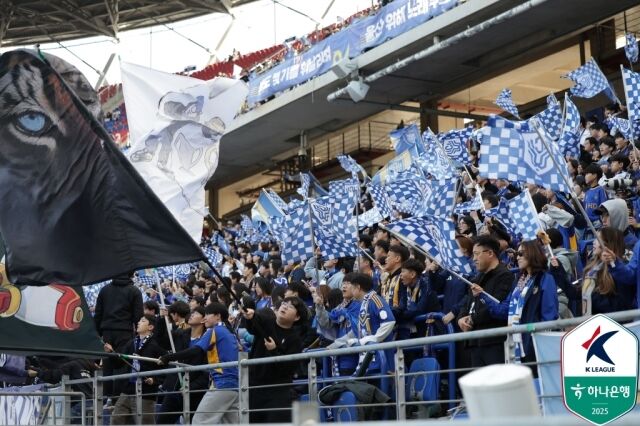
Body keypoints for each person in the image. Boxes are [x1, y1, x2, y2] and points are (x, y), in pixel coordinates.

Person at [472, 241, 559, 364]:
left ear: (533, 254)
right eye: (517, 253)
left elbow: (549, 315)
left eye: (521, 253)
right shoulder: (519, 281)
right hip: (518, 341)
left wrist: (542, 342)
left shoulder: (545, 278)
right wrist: (483, 295)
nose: (517, 257)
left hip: (536, 342)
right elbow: (504, 310)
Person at [242, 296, 307, 423]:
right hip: (254, 387)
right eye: (284, 303)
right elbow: (254, 323)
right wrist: (250, 316)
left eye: (291, 306)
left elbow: (287, 368)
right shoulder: (267, 322)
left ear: (297, 317)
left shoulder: (294, 340)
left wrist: (273, 350)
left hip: (278, 391)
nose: (285, 306)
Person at [456, 236, 513, 367]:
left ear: (490, 253)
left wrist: (472, 319)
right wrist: (460, 318)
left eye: (476, 254)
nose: (474, 259)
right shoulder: (477, 277)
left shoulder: (505, 276)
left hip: (493, 341)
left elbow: (498, 306)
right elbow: (467, 303)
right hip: (474, 341)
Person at [107, 314, 165, 425]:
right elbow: (119, 362)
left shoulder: (156, 344)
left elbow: (165, 366)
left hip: (146, 392)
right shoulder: (131, 343)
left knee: (144, 423)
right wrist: (111, 353)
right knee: (116, 420)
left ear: (150, 327)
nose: (138, 322)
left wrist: (155, 380)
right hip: (127, 390)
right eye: (139, 321)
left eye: (143, 321)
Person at [155, 306, 210, 425]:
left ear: (204, 320)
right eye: (191, 312)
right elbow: (161, 341)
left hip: (195, 392)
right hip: (175, 389)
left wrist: (191, 386)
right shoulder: (181, 334)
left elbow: (206, 370)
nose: (191, 314)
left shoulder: (208, 339)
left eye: (195, 313)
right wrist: (161, 319)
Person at [94, 272, 143, 399]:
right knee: (123, 364)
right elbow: (138, 316)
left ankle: (107, 398)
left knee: (108, 367)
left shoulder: (104, 290)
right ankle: (119, 399)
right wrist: (138, 334)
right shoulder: (135, 291)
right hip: (125, 332)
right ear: (131, 274)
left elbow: (98, 314)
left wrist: (97, 334)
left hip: (107, 332)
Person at [582, 228, 635, 315]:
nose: (593, 242)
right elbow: (576, 294)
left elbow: (620, 306)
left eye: (598, 239)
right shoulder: (593, 267)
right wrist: (558, 271)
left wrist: (591, 297)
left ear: (608, 244)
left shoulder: (621, 270)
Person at [393, 258, 440, 340]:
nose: (400, 275)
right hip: (415, 331)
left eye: (403, 271)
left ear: (412, 274)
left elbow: (419, 310)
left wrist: (402, 315)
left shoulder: (426, 285)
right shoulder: (405, 288)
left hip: (431, 331)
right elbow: (401, 308)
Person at [379, 244, 409, 309]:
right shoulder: (387, 279)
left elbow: (403, 308)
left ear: (397, 258)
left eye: (388, 256)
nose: (385, 260)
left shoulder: (403, 278)